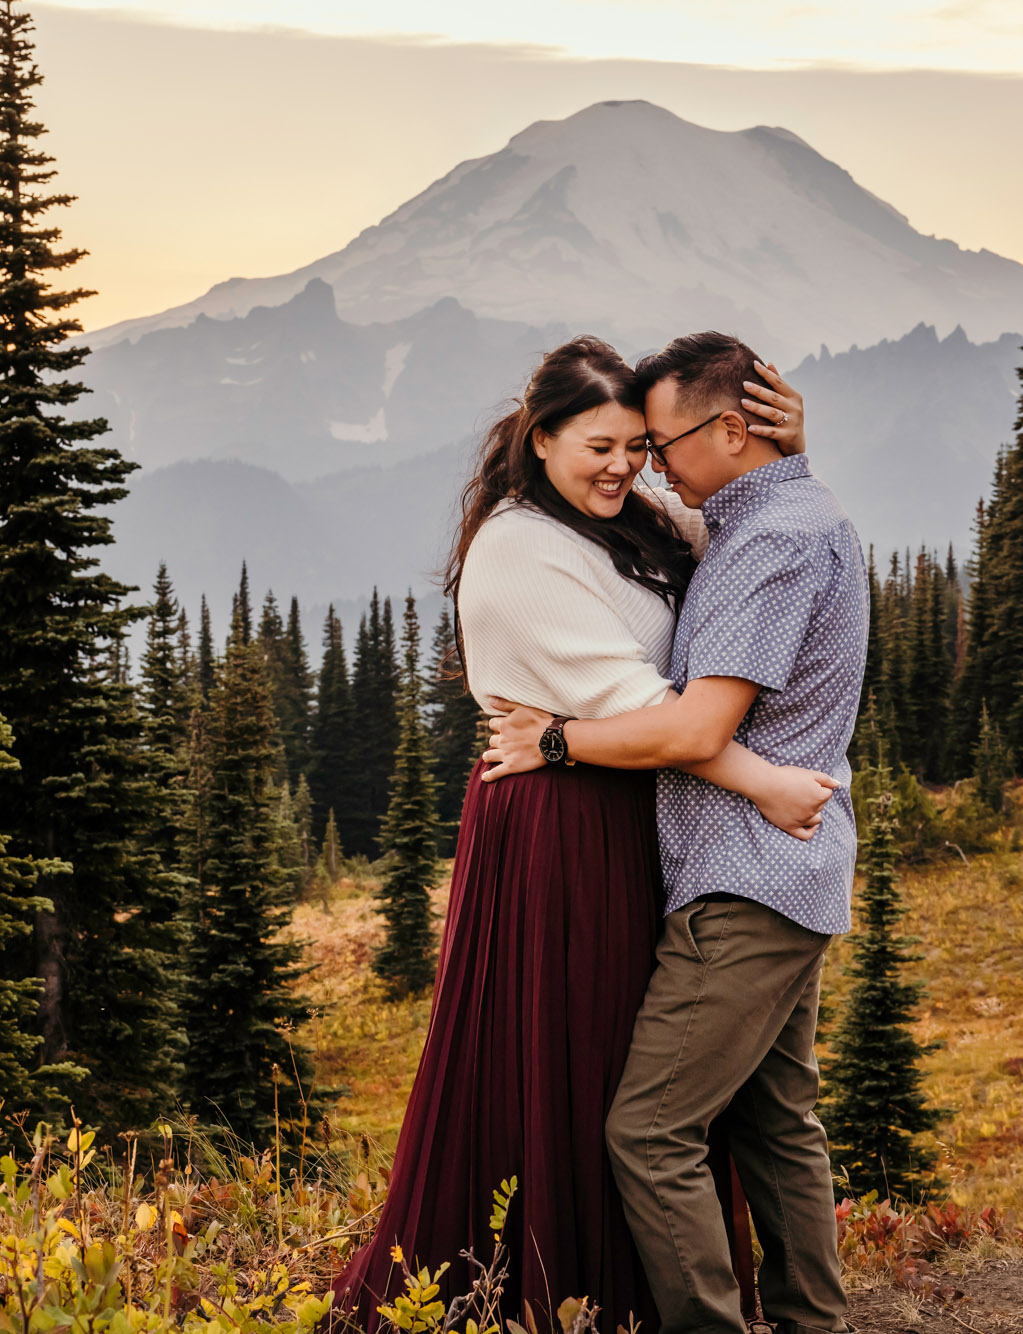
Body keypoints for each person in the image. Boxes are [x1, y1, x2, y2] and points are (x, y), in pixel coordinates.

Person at [332, 335, 836, 1334]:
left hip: (621, 800)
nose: (621, 466)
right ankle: (547, 1287)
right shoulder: (519, 543)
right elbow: (646, 700)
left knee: (624, 1069)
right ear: (542, 436)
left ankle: (628, 1290)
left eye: (637, 448)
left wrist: (786, 451)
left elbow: (732, 554)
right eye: (597, 445)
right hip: (556, 817)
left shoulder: (618, 522)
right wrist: (766, 783)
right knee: (570, 1064)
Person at [482, 331, 868, 1334]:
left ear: (728, 430)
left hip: (742, 876)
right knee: (773, 1121)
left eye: (658, 443)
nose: (648, 465)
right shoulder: (767, 514)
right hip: (778, 871)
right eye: (622, 447)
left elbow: (696, 726)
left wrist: (559, 740)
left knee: (649, 1129)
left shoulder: (767, 540)